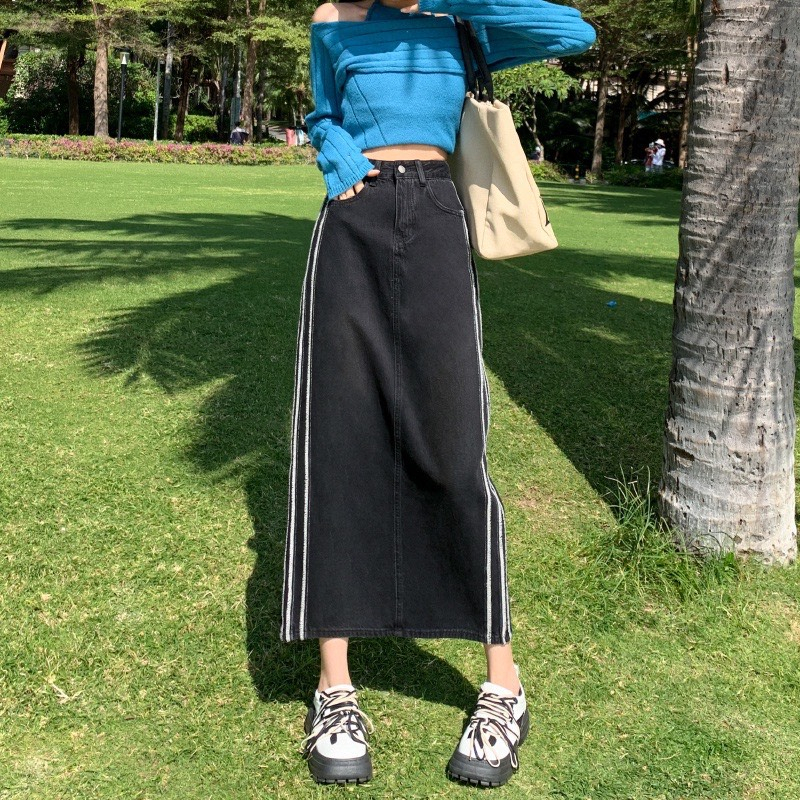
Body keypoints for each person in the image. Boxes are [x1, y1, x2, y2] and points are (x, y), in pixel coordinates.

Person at [281, 0, 595, 788]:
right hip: (351, 224)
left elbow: (572, 31)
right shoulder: (332, 16)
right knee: (340, 443)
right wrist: (336, 156)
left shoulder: (461, 21)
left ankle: (504, 688)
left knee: (457, 448)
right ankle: (335, 688)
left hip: (438, 216)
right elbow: (321, 112)